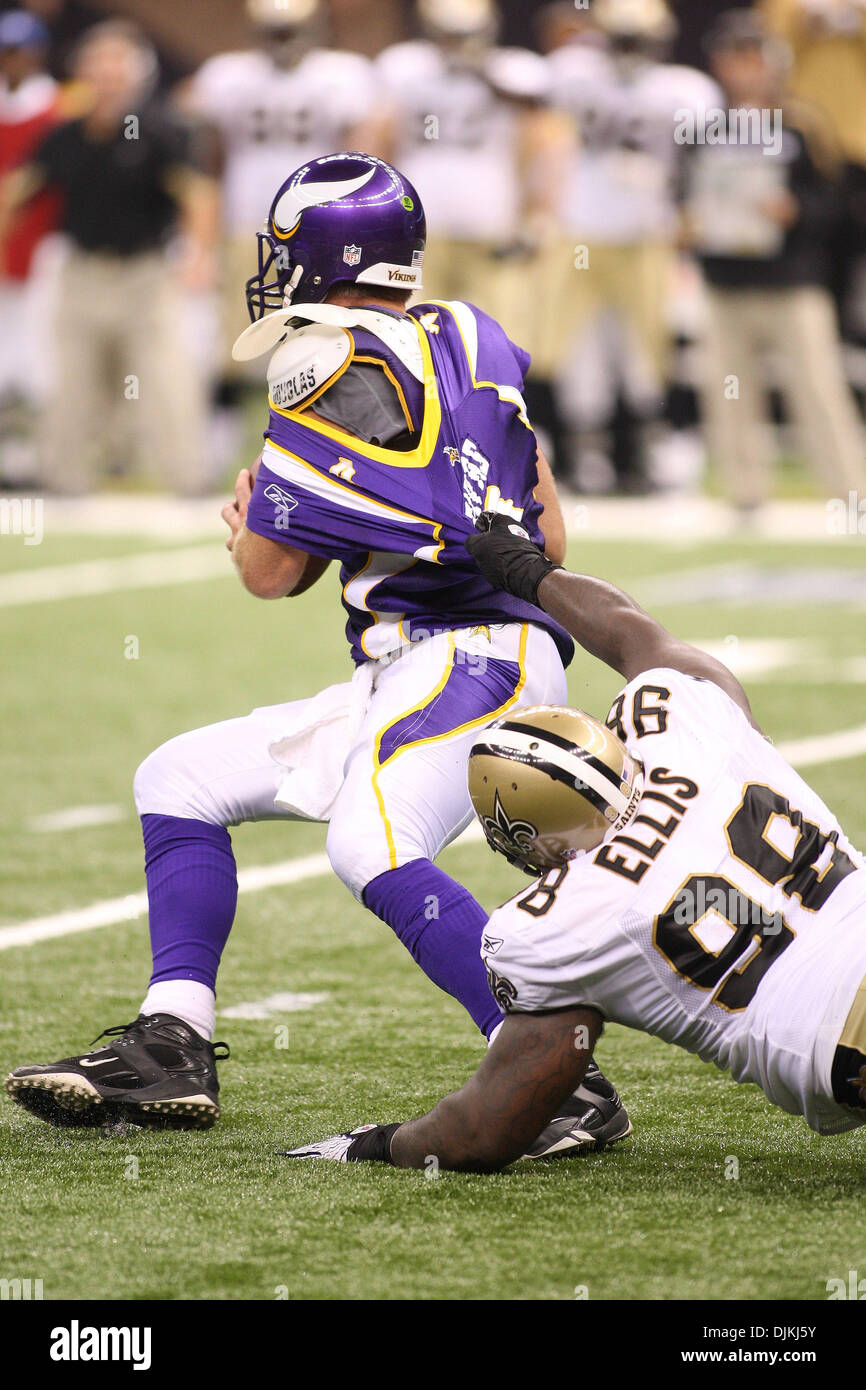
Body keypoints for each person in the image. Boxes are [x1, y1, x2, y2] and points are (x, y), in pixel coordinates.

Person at [5, 153, 630, 1160]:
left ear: (319, 253)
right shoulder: (472, 334)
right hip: (451, 656)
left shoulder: (325, 358)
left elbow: (267, 570)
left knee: (369, 845)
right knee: (180, 774)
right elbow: (548, 533)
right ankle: (174, 1038)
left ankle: (562, 1079)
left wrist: (256, 512)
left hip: (461, 657)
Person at [279, 512, 866, 1171]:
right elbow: (631, 632)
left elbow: (485, 1131)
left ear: (529, 841)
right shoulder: (687, 726)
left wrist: (379, 1143)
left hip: (841, 1038)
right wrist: (533, 574)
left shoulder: (556, 922)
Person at [0, 19, 218, 493]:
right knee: (72, 383)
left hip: (145, 273)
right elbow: (17, 189)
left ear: (137, 73)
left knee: (165, 378)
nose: (107, 74)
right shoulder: (65, 135)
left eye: (116, 64)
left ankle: (188, 478)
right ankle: (62, 480)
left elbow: (197, 195)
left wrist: (198, 254)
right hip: (81, 272)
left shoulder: (158, 130)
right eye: (97, 64)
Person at [683, 9, 866, 515]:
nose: (742, 68)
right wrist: (687, 226)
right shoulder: (706, 130)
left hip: (791, 281)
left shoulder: (801, 124)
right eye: (732, 56)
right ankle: (744, 494)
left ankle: (851, 491)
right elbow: (682, 197)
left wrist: (797, 212)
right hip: (724, 280)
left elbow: (839, 202)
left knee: (818, 390)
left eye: (751, 55)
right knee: (729, 392)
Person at [541, 0, 718, 492]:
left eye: (636, 40)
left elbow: (704, 162)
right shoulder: (572, 71)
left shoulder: (685, 89)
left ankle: (656, 447)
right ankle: (585, 455)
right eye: (620, 39)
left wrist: (685, 208)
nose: (628, 51)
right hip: (579, 231)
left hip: (648, 234)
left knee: (651, 351)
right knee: (580, 350)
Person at [0, 9, 61, 483]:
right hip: (6, 248)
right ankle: (12, 454)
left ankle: (43, 457)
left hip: (42, 245)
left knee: (40, 356)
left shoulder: (58, 109)